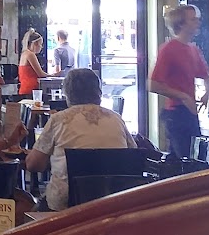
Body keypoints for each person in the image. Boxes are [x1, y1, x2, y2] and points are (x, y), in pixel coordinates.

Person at [24, 66, 135, 210]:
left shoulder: (59, 120)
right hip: (112, 201)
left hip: (66, 205)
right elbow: (131, 155)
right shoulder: (116, 119)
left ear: (67, 94)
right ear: (99, 92)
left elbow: (34, 165)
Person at [148, 2, 209, 159]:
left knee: (194, 157)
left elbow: (205, 75)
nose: (198, 22)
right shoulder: (168, 49)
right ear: (181, 24)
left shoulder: (193, 50)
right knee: (187, 159)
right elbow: (153, 84)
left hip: (190, 111)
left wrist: (207, 92)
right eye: (193, 19)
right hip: (176, 112)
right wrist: (183, 96)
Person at [18, 28, 45, 99]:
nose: (41, 47)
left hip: (24, 88)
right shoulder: (31, 55)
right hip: (31, 89)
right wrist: (55, 75)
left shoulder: (24, 54)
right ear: (35, 44)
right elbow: (41, 74)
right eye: (40, 44)